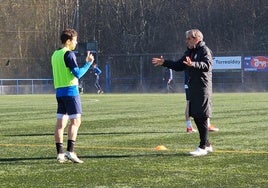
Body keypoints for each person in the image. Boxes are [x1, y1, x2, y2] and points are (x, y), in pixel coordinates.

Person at [152, 29, 213, 156]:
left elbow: (206, 65)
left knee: (201, 116)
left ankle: (202, 147)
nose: (186, 41)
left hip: (202, 87)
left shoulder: (204, 50)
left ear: (197, 39)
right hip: (193, 88)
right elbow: (179, 66)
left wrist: (193, 64)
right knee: (196, 115)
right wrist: (164, 63)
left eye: (189, 38)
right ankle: (207, 144)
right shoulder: (189, 52)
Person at [51, 28, 94, 163]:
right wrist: (88, 63)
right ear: (68, 41)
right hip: (70, 92)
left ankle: (60, 154)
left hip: (59, 92)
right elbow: (78, 74)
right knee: (75, 121)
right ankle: (70, 151)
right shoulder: (69, 54)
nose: (76, 43)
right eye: (75, 40)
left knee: (60, 124)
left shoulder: (55, 54)